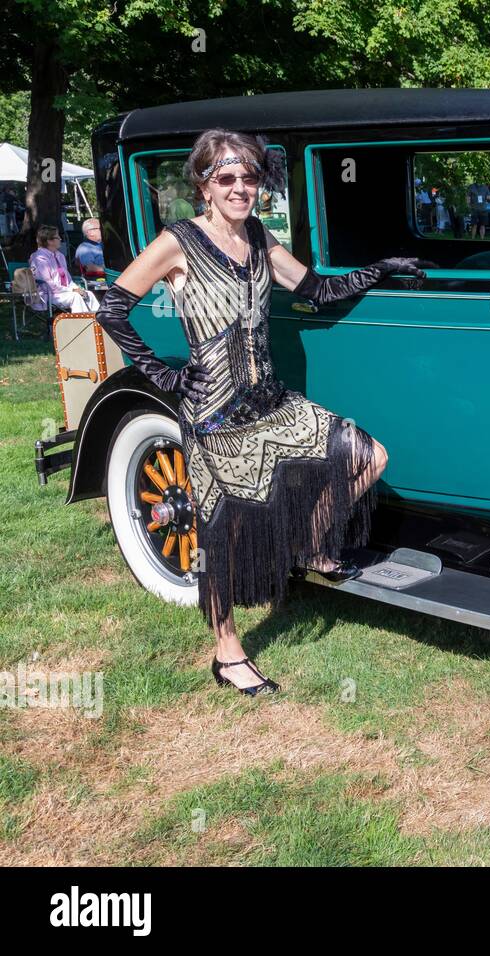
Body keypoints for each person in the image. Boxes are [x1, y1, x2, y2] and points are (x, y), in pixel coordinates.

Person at [91, 129, 423, 695]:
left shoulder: (260, 238)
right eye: (226, 178)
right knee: (223, 529)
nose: (240, 187)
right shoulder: (178, 242)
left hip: (270, 399)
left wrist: (382, 266)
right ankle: (228, 652)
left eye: (249, 176)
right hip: (215, 415)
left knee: (366, 455)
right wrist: (165, 375)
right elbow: (113, 309)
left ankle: (313, 547)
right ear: (204, 184)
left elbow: (317, 289)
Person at [29, 225, 99, 323]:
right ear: (49, 241)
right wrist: (72, 290)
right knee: (75, 297)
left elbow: (68, 280)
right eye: (58, 237)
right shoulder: (39, 258)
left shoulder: (60, 256)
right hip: (46, 295)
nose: (60, 239)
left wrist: (77, 288)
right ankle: (80, 328)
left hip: (63, 292)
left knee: (89, 294)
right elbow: (47, 285)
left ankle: (99, 325)